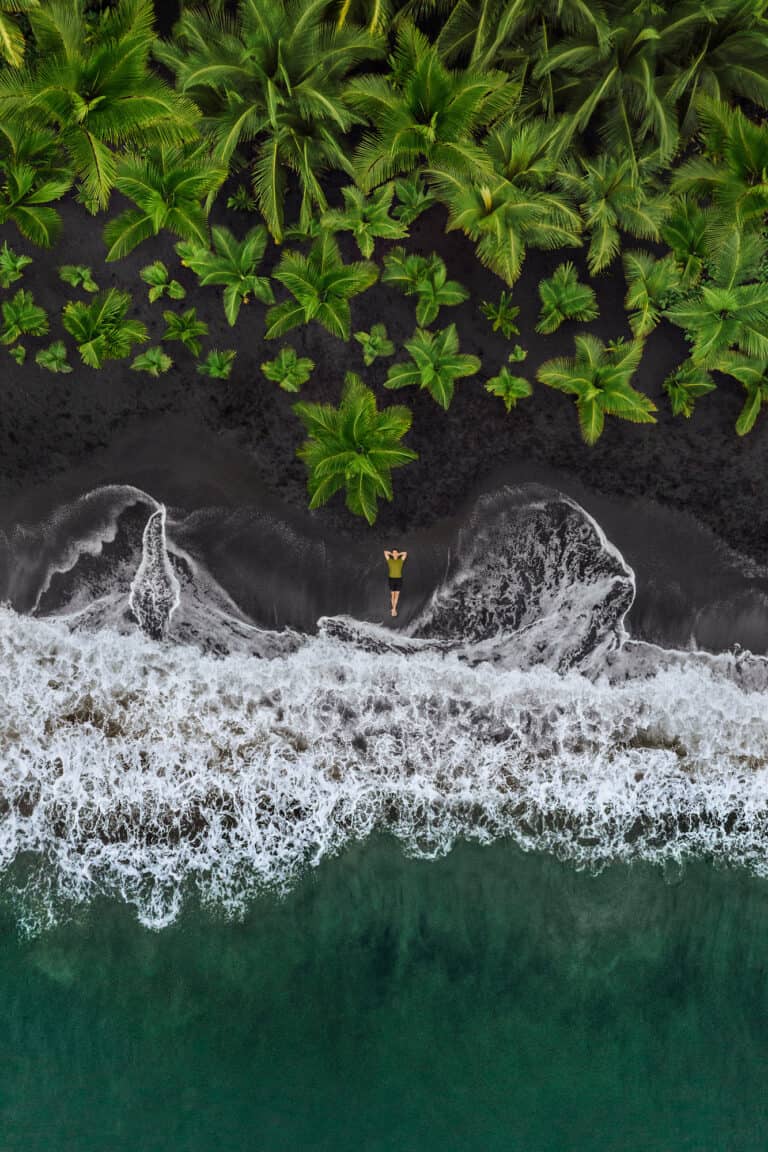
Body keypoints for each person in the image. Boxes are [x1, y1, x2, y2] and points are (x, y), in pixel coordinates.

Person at [384, 548, 408, 617]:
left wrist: (398, 554)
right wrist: (392, 554)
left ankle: (393, 609)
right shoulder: (390, 560)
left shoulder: (400, 560)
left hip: (399, 579)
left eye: (396, 552)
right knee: (392, 595)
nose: (394, 554)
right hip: (391, 579)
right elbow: (385, 552)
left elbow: (405, 553)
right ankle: (394, 610)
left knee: (397, 595)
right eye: (393, 552)